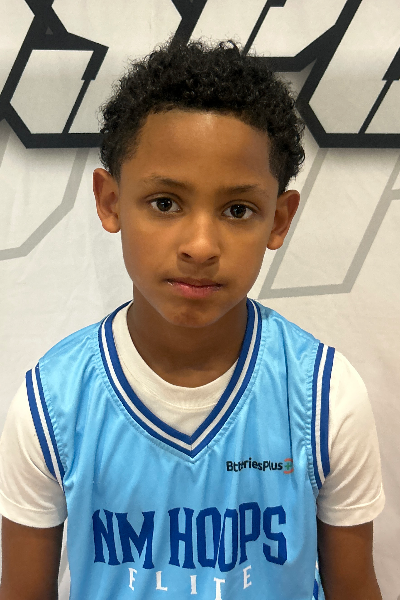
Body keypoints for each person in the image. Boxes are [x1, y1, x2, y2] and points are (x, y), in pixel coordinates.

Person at [0, 39, 384, 600]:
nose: (201, 246)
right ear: (110, 201)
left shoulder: (325, 396)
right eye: (165, 203)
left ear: (279, 220)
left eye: (237, 209)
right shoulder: (51, 404)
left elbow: (355, 587)